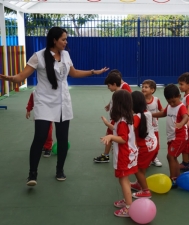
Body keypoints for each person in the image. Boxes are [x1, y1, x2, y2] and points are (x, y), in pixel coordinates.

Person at [0, 27, 109, 186]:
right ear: (54, 40)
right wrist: (10, 78)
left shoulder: (66, 55)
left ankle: (60, 170)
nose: (66, 42)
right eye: (63, 39)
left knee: (63, 139)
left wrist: (93, 72)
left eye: (66, 39)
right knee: (40, 137)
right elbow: (21, 76)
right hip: (44, 102)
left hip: (63, 102)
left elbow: (74, 73)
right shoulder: (38, 56)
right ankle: (32, 174)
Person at [100, 90, 138, 217]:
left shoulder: (122, 121)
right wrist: (107, 124)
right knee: (124, 180)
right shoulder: (125, 118)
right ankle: (127, 201)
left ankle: (129, 207)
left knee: (123, 180)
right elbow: (117, 130)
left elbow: (123, 138)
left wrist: (110, 137)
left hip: (123, 155)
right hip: (128, 154)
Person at [152, 84, 188, 188]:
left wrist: (181, 123)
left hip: (179, 137)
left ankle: (173, 178)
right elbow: (163, 113)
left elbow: (186, 116)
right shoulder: (170, 106)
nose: (172, 103)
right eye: (169, 101)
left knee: (171, 156)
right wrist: (150, 115)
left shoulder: (181, 107)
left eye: (174, 101)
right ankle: (177, 177)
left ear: (179, 96)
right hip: (172, 137)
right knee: (173, 157)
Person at [130, 91, 158, 198]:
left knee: (136, 168)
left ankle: (146, 191)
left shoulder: (137, 117)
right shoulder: (147, 113)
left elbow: (129, 130)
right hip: (153, 144)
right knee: (142, 167)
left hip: (145, 147)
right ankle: (139, 184)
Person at [94, 72, 121, 163]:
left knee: (109, 136)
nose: (108, 87)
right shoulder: (116, 93)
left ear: (114, 84)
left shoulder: (119, 95)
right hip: (113, 120)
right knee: (109, 135)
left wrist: (111, 122)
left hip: (115, 121)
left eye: (109, 85)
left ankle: (106, 155)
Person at [141, 79, 163, 167]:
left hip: (154, 128)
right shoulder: (140, 100)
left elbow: (162, 110)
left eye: (146, 87)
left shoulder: (156, 100)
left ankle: (154, 158)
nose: (143, 89)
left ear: (152, 90)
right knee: (144, 145)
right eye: (142, 87)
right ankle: (146, 159)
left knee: (156, 145)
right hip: (143, 128)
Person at [26, 91, 53, 158]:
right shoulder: (34, 92)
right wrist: (28, 110)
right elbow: (31, 102)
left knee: (48, 133)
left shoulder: (50, 91)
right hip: (38, 116)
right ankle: (43, 146)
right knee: (40, 133)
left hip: (49, 116)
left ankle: (48, 148)